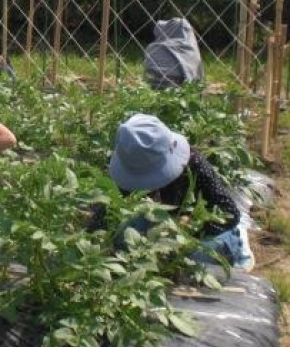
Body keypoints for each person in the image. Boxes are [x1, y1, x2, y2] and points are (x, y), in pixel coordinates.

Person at [89, 113, 254, 271]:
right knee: (123, 239)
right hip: (153, 235)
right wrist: (99, 242)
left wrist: (189, 225)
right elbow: (101, 215)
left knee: (197, 255)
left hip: (193, 235)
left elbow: (229, 213)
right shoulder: (129, 164)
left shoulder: (194, 164)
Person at [144, 18, 204, 89]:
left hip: (154, 87)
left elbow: (147, 72)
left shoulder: (151, 48)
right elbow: (197, 74)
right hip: (182, 88)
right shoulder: (191, 50)